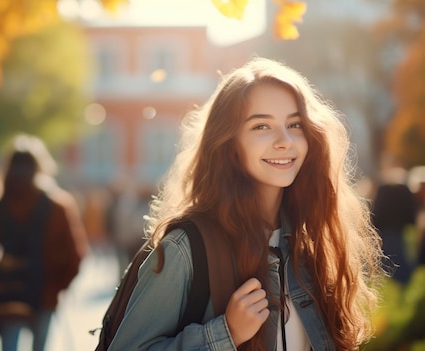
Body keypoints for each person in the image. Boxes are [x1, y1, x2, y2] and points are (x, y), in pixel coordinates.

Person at [107, 57, 385, 350]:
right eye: (262, 126)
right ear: (228, 143)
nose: (284, 140)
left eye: (295, 124)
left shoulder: (313, 240)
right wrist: (225, 333)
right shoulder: (186, 248)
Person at [0, 134, 89, 351]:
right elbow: (77, 255)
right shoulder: (59, 206)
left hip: (9, 293)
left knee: (9, 346)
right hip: (45, 292)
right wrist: (57, 287)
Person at [371, 166, 416, 285]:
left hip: (385, 232)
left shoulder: (383, 189)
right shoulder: (404, 190)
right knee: (399, 260)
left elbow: (377, 212)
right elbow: (410, 212)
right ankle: (403, 284)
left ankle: (390, 284)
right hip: (399, 230)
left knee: (386, 260)